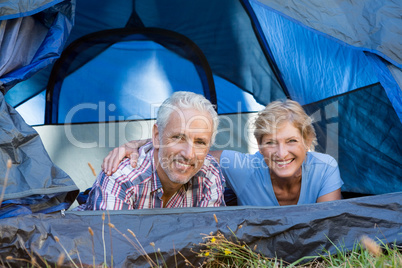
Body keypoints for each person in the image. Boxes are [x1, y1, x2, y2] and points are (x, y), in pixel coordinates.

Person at [102, 99, 343, 206]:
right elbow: (194, 153)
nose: (281, 153)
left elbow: (331, 233)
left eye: (291, 141)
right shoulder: (245, 167)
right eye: (270, 142)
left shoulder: (325, 168)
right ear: (258, 147)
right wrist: (145, 144)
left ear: (308, 141)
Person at [79, 91, 225, 210]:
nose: (188, 154)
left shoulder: (209, 173)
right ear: (156, 136)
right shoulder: (121, 179)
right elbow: (113, 244)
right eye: (178, 138)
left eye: (200, 142)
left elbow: (210, 241)